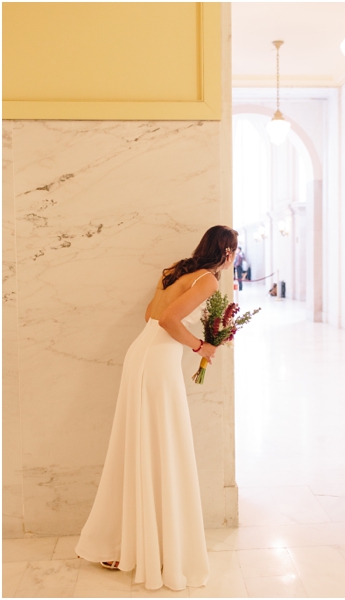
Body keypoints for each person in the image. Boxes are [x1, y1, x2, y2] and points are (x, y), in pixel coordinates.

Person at [75, 225, 238, 591]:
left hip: (143, 353)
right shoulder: (208, 280)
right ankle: (143, 544)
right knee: (159, 443)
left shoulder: (176, 272)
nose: (234, 258)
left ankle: (131, 543)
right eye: (234, 251)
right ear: (226, 252)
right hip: (158, 360)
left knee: (142, 444)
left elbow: (151, 313)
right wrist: (202, 347)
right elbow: (167, 320)